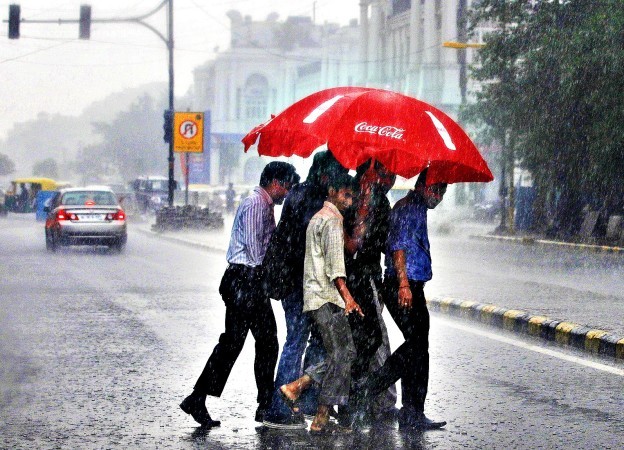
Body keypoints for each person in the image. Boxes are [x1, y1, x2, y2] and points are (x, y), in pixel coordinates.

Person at [179, 161, 300, 427]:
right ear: (276, 183)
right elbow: (257, 253)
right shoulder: (257, 205)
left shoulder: (263, 205)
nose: (287, 193)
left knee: (242, 343)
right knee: (260, 342)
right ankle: (263, 403)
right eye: (287, 186)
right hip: (246, 281)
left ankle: (199, 398)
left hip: (245, 282)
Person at [353, 168, 447, 430]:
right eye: (436, 190)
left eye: (443, 192)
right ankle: (371, 389)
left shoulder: (417, 207)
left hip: (412, 285)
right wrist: (404, 284)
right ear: (422, 186)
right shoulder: (407, 208)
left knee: (419, 347)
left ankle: (412, 410)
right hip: (401, 285)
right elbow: (398, 246)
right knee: (417, 345)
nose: (438, 197)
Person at [261, 151, 348, 429]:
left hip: (291, 280)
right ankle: (279, 407)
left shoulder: (297, 192)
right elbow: (312, 247)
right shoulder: (315, 203)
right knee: (299, 340)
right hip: (301, 283)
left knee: (309, 340)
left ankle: (305, 401)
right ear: (324, 176)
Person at [278, 173, 363, 434]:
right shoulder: (333, 220)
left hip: (313, 296)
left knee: (340, 353)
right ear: (332, 191)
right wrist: (348, 298)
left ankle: (301, 389)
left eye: (351, 196)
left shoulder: (317, 217)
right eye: (345, 195)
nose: (348, 201)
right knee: (344, 353)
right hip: (327, 297)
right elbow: (335, 267)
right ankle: (318, 415)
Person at [342, 160, 398, 425]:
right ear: (370, 171)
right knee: (371, 339)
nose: (390, 182)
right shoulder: (353, 194)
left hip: (367, 277)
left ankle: (358, 399)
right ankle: (360, 398)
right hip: (353, 279)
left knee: (366, 339)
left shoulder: (380, 201)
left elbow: (383, 242)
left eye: (393, 177)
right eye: (385, 175)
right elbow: (353, 243)